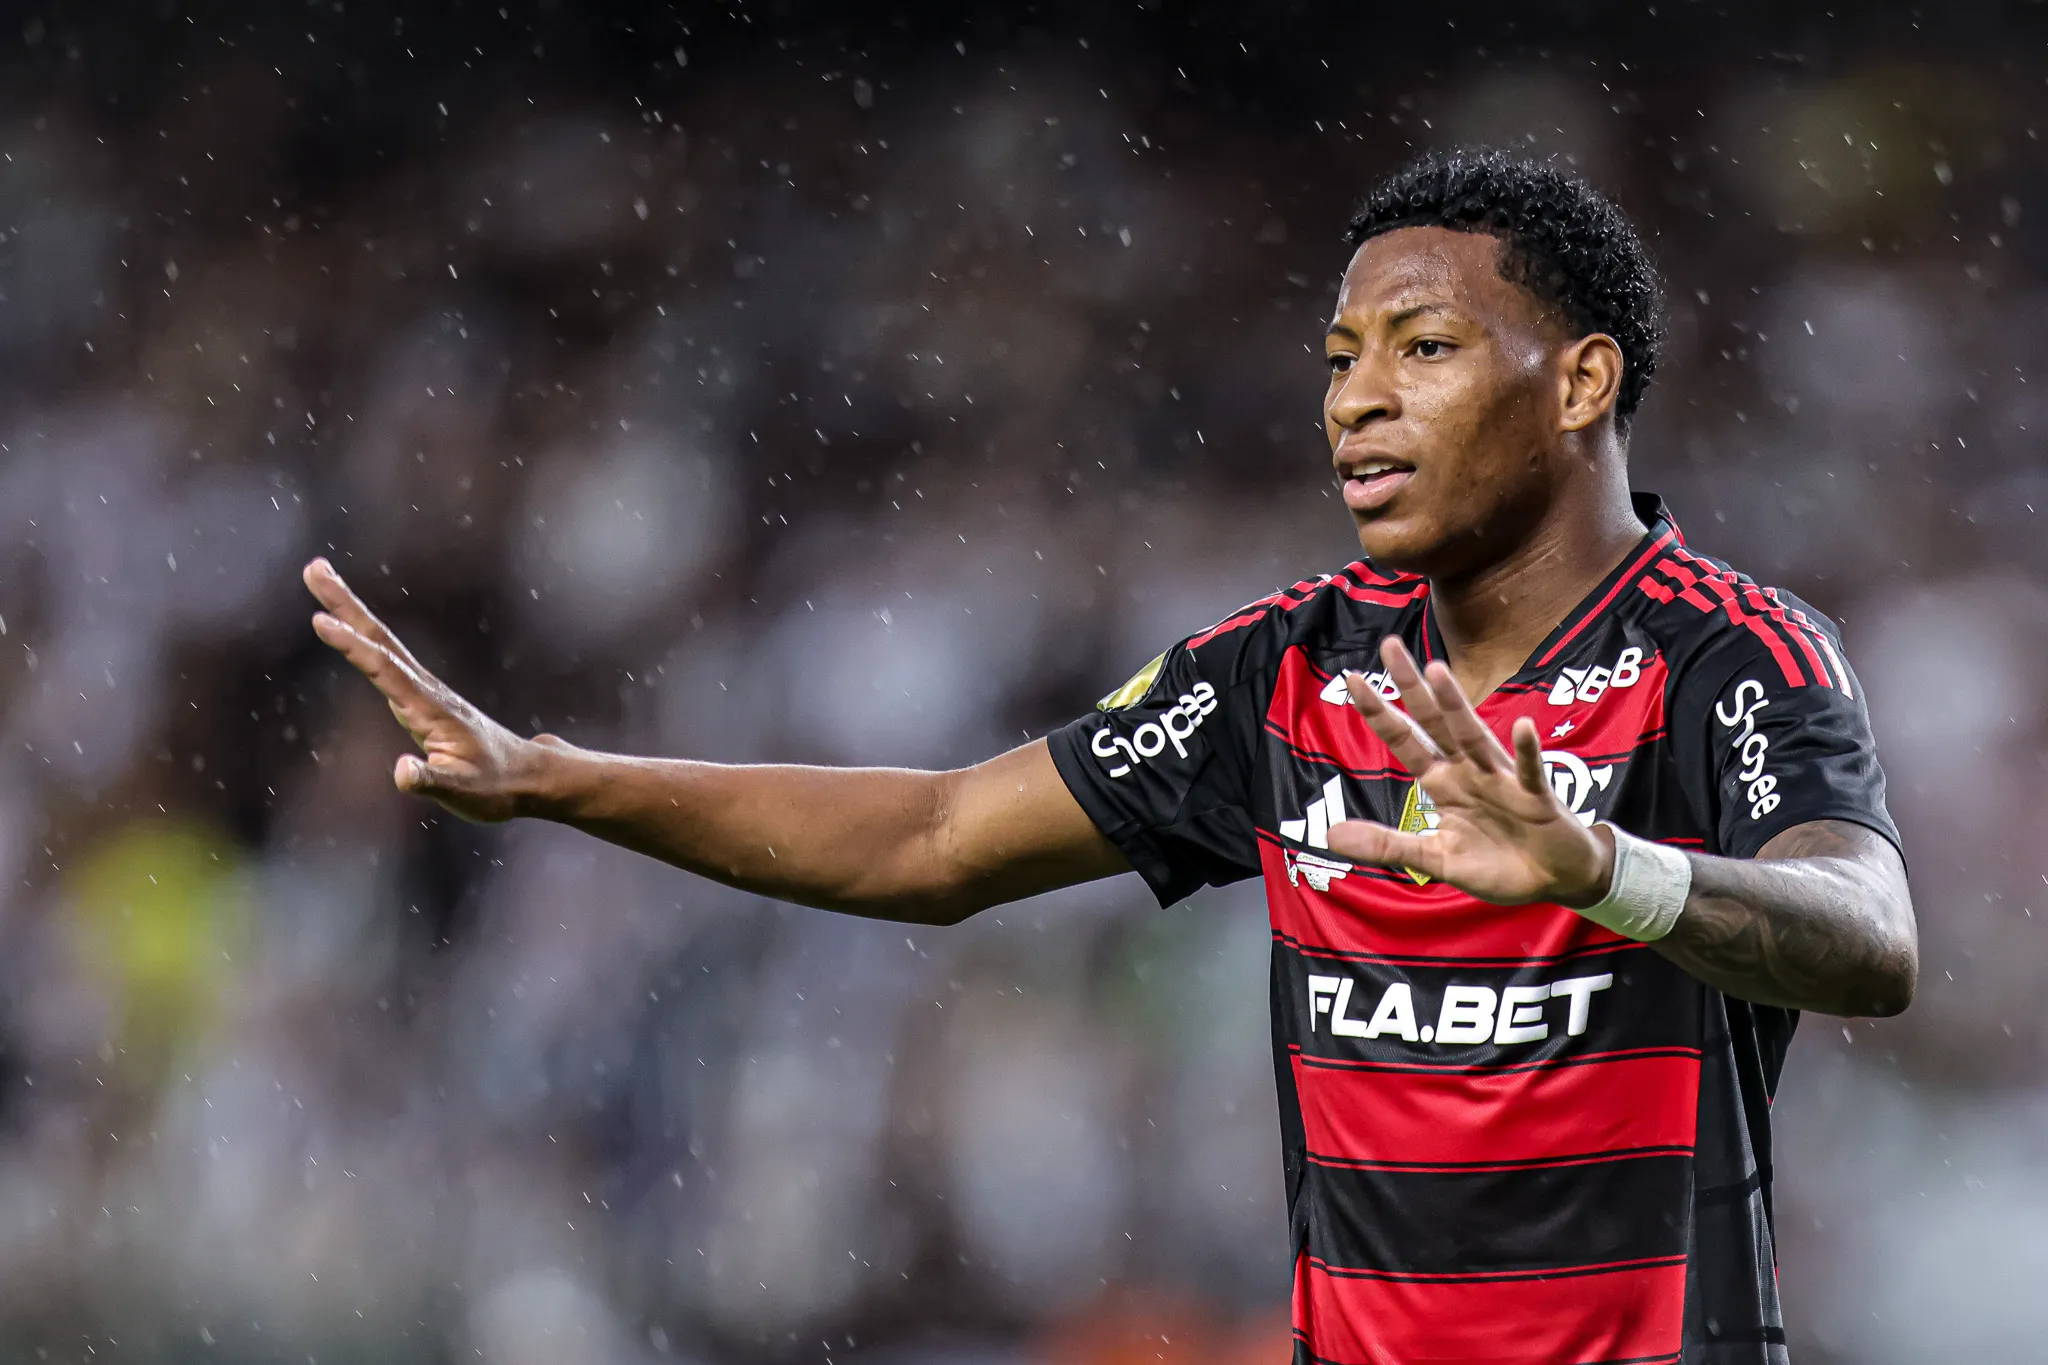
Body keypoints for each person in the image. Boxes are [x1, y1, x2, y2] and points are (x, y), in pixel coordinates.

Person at [302, 148, 1915, 1364]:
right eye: (1340, 359)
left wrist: (1606, 876)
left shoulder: (1725, 653)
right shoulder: (1290, 670)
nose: (1357, 402)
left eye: (1421, 350)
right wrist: (551, 776)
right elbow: (936, 841)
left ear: (1581, 381)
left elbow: (1869, 937)